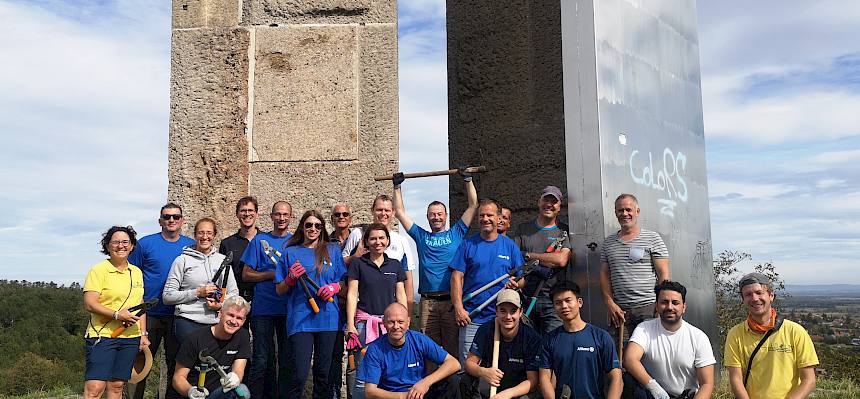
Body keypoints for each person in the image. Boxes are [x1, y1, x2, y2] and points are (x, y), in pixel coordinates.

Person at [392, 168, 478, 361]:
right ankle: (431, 389)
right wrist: (397, 187)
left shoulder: (456, 233)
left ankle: (452, 389)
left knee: (453, 351)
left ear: (446, 216)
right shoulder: (421, 236)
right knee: (427, 351)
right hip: (427, 303)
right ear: (427, 217)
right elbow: (399, 212)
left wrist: (468, 180)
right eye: (432, 214)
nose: (436, 217)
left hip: (450, 302)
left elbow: (473, 206)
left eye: (440, 214)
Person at [276, 210, 347, 399]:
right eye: (309, 225)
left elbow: (343, 282)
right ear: (302, 227)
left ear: (323, 228)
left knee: (323, 373)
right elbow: (279, 289)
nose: (313, 229)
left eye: (317, 225)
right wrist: (290, 279)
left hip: (329, 319)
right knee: (299, 372)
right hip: (300, 319)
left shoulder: (333, 250)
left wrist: (333, 288)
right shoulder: (290, 252)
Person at [127, 204, 195, 399]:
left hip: (179, 314)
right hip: (149, 314)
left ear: (182, 220)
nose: (171, 220)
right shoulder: (145, 244)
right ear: (160, 221)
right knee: (140, 363)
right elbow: (132, 275)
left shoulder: (191, 246)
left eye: (176, 217)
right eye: (167, 217)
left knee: (178, 365)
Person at [451, 199, 525, 365]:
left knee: (500, 366)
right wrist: (458, 308)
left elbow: (522, 281)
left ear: (498, 218)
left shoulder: (510, 246)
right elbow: (456, 277)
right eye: (481, 215)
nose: (485, 219)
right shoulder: (467, 244)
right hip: (472, 317)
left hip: (501, 319)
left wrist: (516, 284)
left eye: (490, 215)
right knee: (468, 367)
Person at [724, 273, 818, 399]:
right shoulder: (735, 335)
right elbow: (735, 379)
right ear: (743, 300)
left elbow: (809, 380)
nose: (754, 298)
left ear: (771, 295)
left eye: (759, 292)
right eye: (748, 294)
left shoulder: (795, 332)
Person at [83, 226, 148, 399]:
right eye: (116, 242)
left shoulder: (136, 272)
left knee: (117, 386)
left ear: (132, 246)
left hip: (130, 337)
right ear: (108, 246)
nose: (121, 246)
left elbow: (140, 304)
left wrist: (142, 333)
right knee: (95, 388)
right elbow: (89, 303)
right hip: (102, 335)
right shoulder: (98, 270)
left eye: (125, 242)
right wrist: (117, 315)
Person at [345, 223, 408, 396]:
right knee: (362, 372)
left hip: (391, 326)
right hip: (366, 325)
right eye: (372, 238)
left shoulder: (395, 265)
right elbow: (352, 294)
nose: (377, 242)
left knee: (391, 368)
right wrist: (350, 324)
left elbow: (401, 295)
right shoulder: (358, 264)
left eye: (381, 238)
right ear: (366, 242)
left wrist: (405, 321)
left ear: (387, 240)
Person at [624, 281, 715, 399]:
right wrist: (654, 388)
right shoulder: (644, 329)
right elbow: (630, 359)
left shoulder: (698, 337)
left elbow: (706, 384)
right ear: (656, 306)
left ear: (684, 307)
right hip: (652, 395)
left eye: (675, 303)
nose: (670, 307)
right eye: (664, 302)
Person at [240, 200, 294, 398]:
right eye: (277, 214)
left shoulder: (295, 242)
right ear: (271, 216)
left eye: (285, 215)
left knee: (287, 359)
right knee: (263, 359)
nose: (281, 218)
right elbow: (246, 274)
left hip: (289, 308)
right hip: (263, 308)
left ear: (291, 217)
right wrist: (271, 275)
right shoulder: (258, 241)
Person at [600, 194, 669, 344]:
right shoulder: (608, 243)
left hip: (648, 307)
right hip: (620, 310)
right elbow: (604, 275)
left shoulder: (653, 238)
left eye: (628, 209)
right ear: (615, 213)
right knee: (622, 356)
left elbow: (663, 273)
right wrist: (610, 303)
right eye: (620, 210)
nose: (624, 214)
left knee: (650, 354)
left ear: (637, 211)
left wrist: (661, 303)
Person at [356, 303, 461, 399]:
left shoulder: (419, 340)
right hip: (393, 395)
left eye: (400, 322)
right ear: (384, 323)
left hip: (419, 392)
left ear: (408, 322)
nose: (396, 327)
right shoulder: (375, 349)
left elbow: (454, 364)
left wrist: (426, 382)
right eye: (391, 322)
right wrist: (402, 396)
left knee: (452, 380)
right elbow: (370, 392)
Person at [540, 281, 622, 399]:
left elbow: (616, 378)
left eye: (568, 300)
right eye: (558, 303)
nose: (564, 306)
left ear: (579, 302)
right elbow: (544, 379)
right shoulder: (549, 340)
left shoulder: (601, 337)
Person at [163, 218, 238, 345]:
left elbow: (234, 294)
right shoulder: (182, 260)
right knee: (188, 363)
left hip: (216, 323)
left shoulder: (223, 261)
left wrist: (220, 305)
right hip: (188, 321)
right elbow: (167, 296)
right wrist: (197, 293)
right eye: (201, 233)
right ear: (195, 235)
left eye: (209, 233)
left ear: (214, 235)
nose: (205, 237)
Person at [510, 185, 572, 335]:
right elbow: (514, 260)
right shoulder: (523, 230)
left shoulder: (563, 231)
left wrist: (528, 255)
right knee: (528, 347)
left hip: (554, 301)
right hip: (525, 299)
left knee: (554, 345)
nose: (549, 204)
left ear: (559, 207)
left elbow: (561, 260)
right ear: (539, 202)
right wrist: (546, 260)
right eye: (546, 200)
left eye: (554, 201)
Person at [342, 194, 417, 313]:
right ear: (372, 211)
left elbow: (407, 280)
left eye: (387, 210)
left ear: (393, 212)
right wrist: (356, 257)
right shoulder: (357, 234)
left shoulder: (402, 241)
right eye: (379, 210)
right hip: (362, 309)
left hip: (391, 311)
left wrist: (407, 315)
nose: (383, 214)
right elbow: (341, 264)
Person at [461, 289, 541, 399]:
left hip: (517, 390)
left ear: (520, 312)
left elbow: (533, 381)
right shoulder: (485, 330)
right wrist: (482, 372)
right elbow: (469, 364)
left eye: (513, 311)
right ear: (496, 311)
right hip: (492, 385)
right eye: (503, 311)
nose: (508, 317)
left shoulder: (531, 337)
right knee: (465, 380)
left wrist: (508, 394)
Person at [173, 295, 252, 399]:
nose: (233, 321)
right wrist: (190, 391)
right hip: (196, 394)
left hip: (219, 393)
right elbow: (178, 378)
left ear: (244, 321)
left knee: (242, 391)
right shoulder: (195, 338)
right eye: (230, 315)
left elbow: (239, 370)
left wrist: (235, 378)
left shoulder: (243, 336)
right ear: (220, 314)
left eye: (239, 318)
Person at [328, 202, 353, 399]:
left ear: (350, 218)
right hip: (334, 305)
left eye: (345, 214)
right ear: (332, 219)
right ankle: (334, 394)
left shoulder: (361, 240)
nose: (341, 217)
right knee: (334, 353)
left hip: (355, 305)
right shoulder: (325, 243)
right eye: (337, 214)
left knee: (355, 354)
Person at [219, 196, 260, 303]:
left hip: (262, 301)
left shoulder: (266, 241)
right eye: (243, 211)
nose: (247, 214)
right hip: (236, 300)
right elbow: (223, 277)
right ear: (237, 214)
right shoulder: (227, 244)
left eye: (250, 210)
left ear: (256, 214)